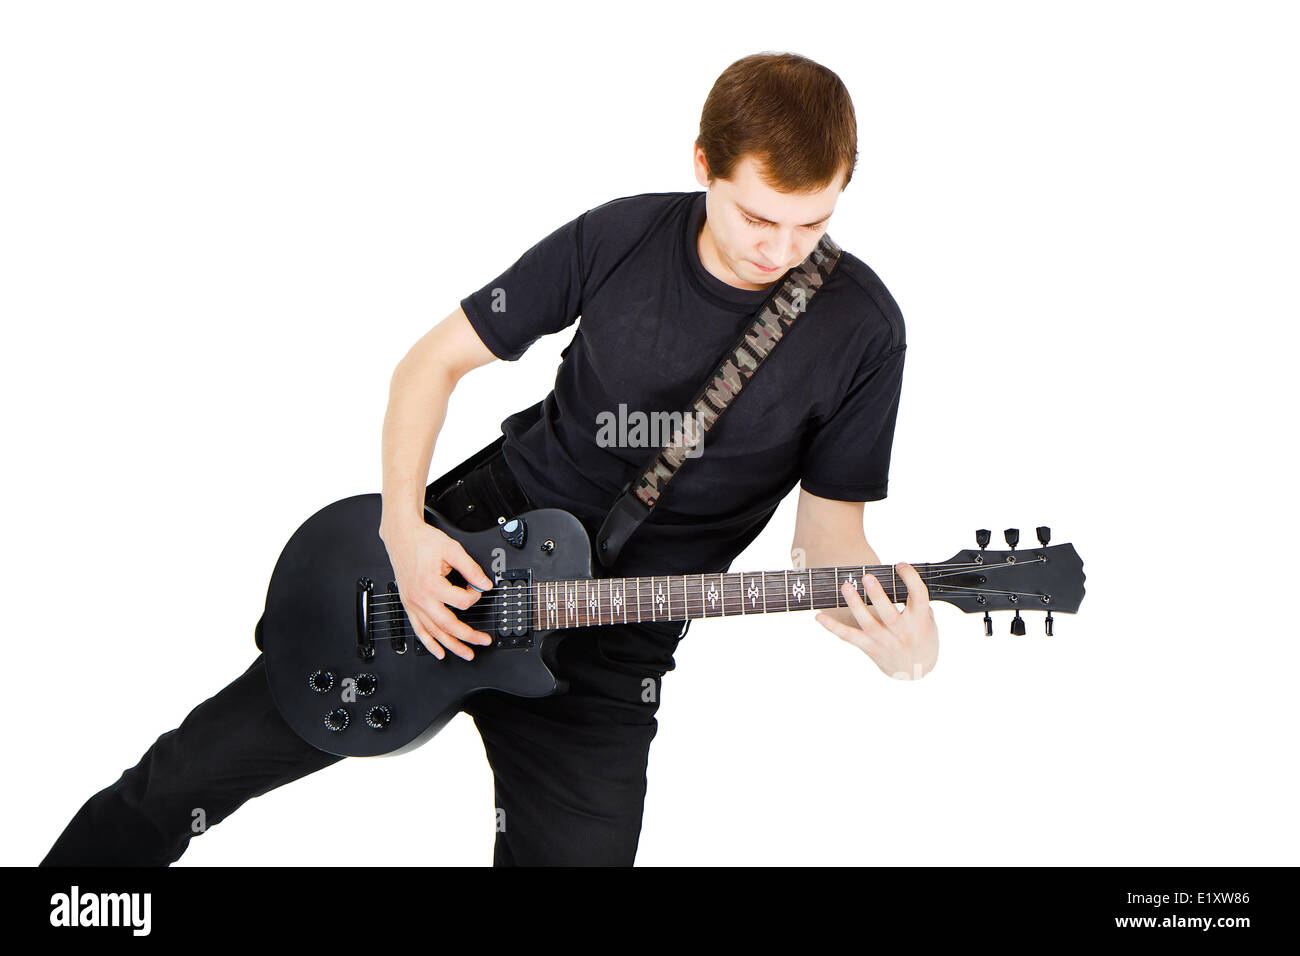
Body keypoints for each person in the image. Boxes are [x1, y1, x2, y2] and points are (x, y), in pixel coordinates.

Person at [41, 51, 938, 868]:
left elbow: (827, 539)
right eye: (757, 217)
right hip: (460, 551)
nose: (781, 252)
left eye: (811, 223)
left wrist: (896, 647)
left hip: (613, 648)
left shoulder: (863, 331)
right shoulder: (618, 236)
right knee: (183, 781)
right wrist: (403, 533)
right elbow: (429, 365)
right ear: (702, 164)